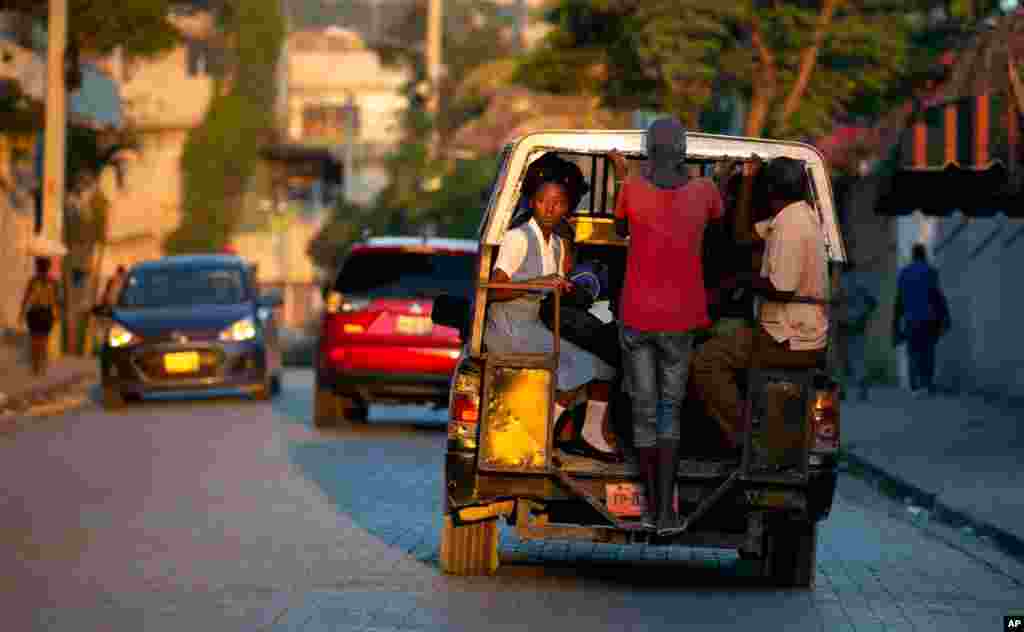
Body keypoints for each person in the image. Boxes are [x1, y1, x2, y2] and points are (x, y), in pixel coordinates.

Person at [608, 117, 724, 532]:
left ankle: (650, 506)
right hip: (681, 319)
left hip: (637, 315)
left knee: (643, 408)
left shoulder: (632, 189)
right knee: (669, 410)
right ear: (683, 150)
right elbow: (720, 220)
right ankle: (666, 512)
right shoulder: (704, 191)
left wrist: (623, 175)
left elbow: (621, 229)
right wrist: (726, 176)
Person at [485, 157, 620, 463]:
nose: (549, 208)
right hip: (509, 330)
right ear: (532, 202)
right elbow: (492, 291)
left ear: (567, 207)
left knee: (605, 366)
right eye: (542, 201)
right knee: (579, 366)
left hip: (536, 326)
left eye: (558, 203)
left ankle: (590, 434)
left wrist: (570, 287)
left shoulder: (558, 244)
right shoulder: (517, 239)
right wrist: (538, 283)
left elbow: (555, 286)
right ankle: (539, 440)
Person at [692, 157, 828, 455]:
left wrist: (740, 280)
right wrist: (749, 181)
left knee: (706, 361)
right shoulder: (795, 216)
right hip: (791, 332)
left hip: (790, 338)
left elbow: (781, 288)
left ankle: (748, 438)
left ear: (770, 191)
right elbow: (742, 236)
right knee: (724, 343)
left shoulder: (791, 227)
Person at [893, 243, 950, 398]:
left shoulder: (904, 273)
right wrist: (945, 317)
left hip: (911, 319)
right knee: (928, 352)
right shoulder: (931, 271)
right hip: (929, 319)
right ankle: (927, 383)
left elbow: (899, 300)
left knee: (913, 352)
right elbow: (937, 296)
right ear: (924, 255)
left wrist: (896, 324)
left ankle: (914, 385)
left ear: (913, 255)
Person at [839, 260, 878, 401]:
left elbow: (833, 302)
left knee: (841, 358)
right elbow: (873, 302)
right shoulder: (862, 281)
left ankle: (841, 390)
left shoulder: (839, 282)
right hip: (858, 324)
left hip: (842, 324)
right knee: (858, 357)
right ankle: (862, 389)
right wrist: (864, 315)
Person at [19, 257, 60, 376]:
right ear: (48, 268)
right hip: (46, 313)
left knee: (35, 340)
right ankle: (40, 366)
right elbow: (56, 301)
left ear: (37, 267)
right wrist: (56, 315)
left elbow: (26, 298)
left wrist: (21, 314)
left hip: (35, 312)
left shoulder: (33, 281)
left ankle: (37, 366)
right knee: (43, 341)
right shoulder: (53, 282)